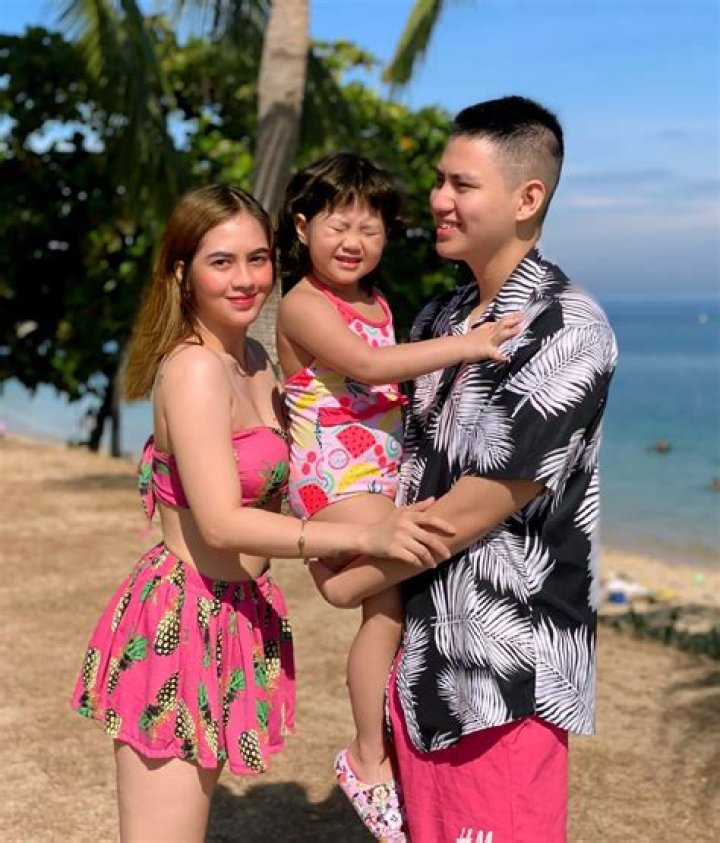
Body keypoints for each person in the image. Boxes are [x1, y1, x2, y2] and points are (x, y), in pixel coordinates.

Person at [70, 184, 456, 843]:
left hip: (236, 615)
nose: (245, 279)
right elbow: (221, 522)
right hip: (181, 621)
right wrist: (367, 533)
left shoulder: (255, 361)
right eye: (221, 262)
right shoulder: (195, 369)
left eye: (257, 258)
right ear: (181, 272)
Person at [309, 97, 618, 842]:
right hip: (420, 666)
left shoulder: (567, 328)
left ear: (527, 198)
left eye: (462, 184)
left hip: (500, 679)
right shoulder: (438, 321)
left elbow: (471, 509)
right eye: (439, 180)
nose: (438, 200)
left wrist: (344, 579)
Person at [275, 152, 520, 840]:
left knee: (386, 616)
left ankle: (368, 749)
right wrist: (468, 345)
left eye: (370, 228)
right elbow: (370, 365)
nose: (353, 241)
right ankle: (367, 751)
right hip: (335, 473)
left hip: (378, 471)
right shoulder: (302, 303)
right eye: (337, 225)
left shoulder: (375, 301)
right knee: (409, 563)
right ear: (302, 227)